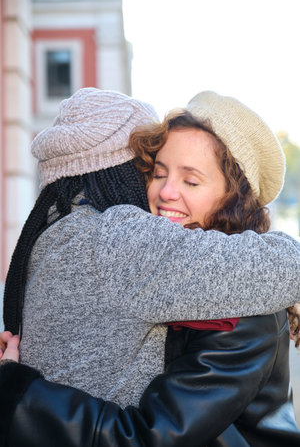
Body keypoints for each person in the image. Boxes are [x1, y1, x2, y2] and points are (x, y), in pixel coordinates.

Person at [1, 90, 300, 446]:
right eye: (158, 173)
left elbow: (148, 438)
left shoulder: (248, 307)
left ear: (234, 198)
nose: (166, 192)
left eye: (191, 181)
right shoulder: (155, 264)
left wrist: (14, 392)